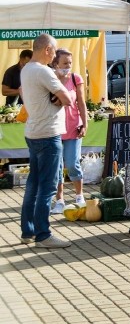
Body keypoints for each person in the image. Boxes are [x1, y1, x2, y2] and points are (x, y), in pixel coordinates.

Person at [19, 34, 73, 248]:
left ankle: (28, 231)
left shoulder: (26, 69)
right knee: (48, 187)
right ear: (48, 49)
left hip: (33, 132)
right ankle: (43, 235)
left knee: (33, 184)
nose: (54, 56)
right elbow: (67, 99)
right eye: (54, 50)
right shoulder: (44, 71)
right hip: (48, 134)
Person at [49, 49, 89, 214]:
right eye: (65, 63)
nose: (68, 66)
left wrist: (85, 124)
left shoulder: (75, 78)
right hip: (55, 129)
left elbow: (81, 103)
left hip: (73, 127)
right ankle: (60, 200)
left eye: (70, 63)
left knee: (72, 163)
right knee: (57, 167)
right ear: (55, 63)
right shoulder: (49, 79)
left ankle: (79, 196)